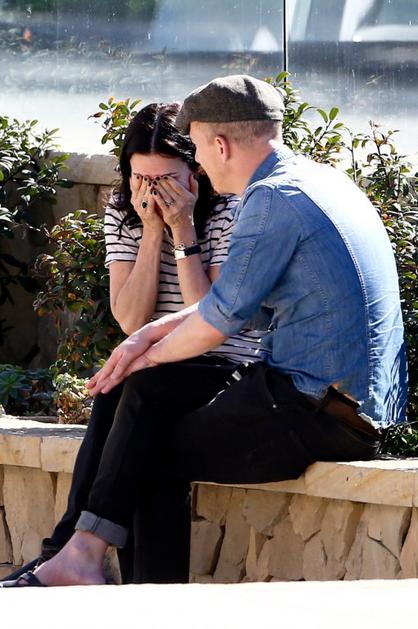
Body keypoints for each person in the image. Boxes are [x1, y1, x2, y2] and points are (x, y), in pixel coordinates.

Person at [1, 74, 408, 588]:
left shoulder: (271, 200)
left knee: (144, 447)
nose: (197, 163)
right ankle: (82, 560)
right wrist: (142, 339)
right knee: (140, 412)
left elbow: (219, 322)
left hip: (317, 412)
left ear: (219, 144)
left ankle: (123, 588)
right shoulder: (314, 181)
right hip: (335, 404)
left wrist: (143, 355)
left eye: (195, 148)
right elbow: (228, 305)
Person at [0, 100, 263, 587]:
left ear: (195, 172)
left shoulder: (231, 210)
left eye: (166, 179)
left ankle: (67, 552)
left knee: (136, 390)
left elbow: (209, 319)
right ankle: (72, 555)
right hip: (156, 365)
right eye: (142, 178)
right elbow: (130, 318)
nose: (154, 191)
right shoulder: (124, 212)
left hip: (223, 364)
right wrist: (152, 232)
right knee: (120, 393)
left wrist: (183, 230)